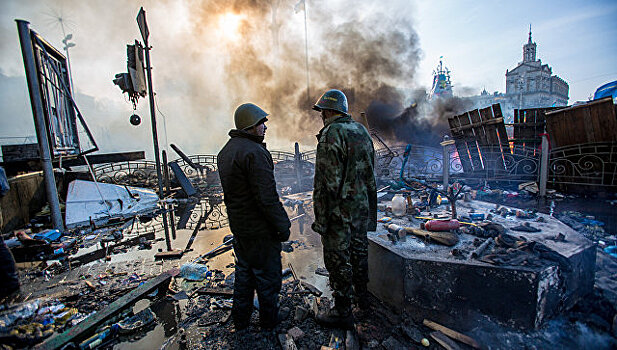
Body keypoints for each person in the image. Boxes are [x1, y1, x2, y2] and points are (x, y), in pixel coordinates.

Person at [217, 103, 291, 333]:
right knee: (268, 277)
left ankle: (241, 320)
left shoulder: (226, 151)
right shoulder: (255, 153)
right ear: (249, 125)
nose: (265, 126)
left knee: (245, 274)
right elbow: (266, 197)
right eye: (261, 123)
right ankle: (270, 322)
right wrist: (283, 225)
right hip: (260, 231)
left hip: (240, 228)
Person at [311, 89, 377, 329]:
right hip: (361, 208)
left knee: (338, 259)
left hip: (339, 212)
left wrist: (322, 219)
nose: (321, 116)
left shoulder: (331, 134)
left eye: (322, 112)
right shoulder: (361, 131)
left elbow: (328, 183)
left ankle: (342, 310)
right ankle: (364, 301)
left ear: (329, 111)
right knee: (359, 253)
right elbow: (371, 172)